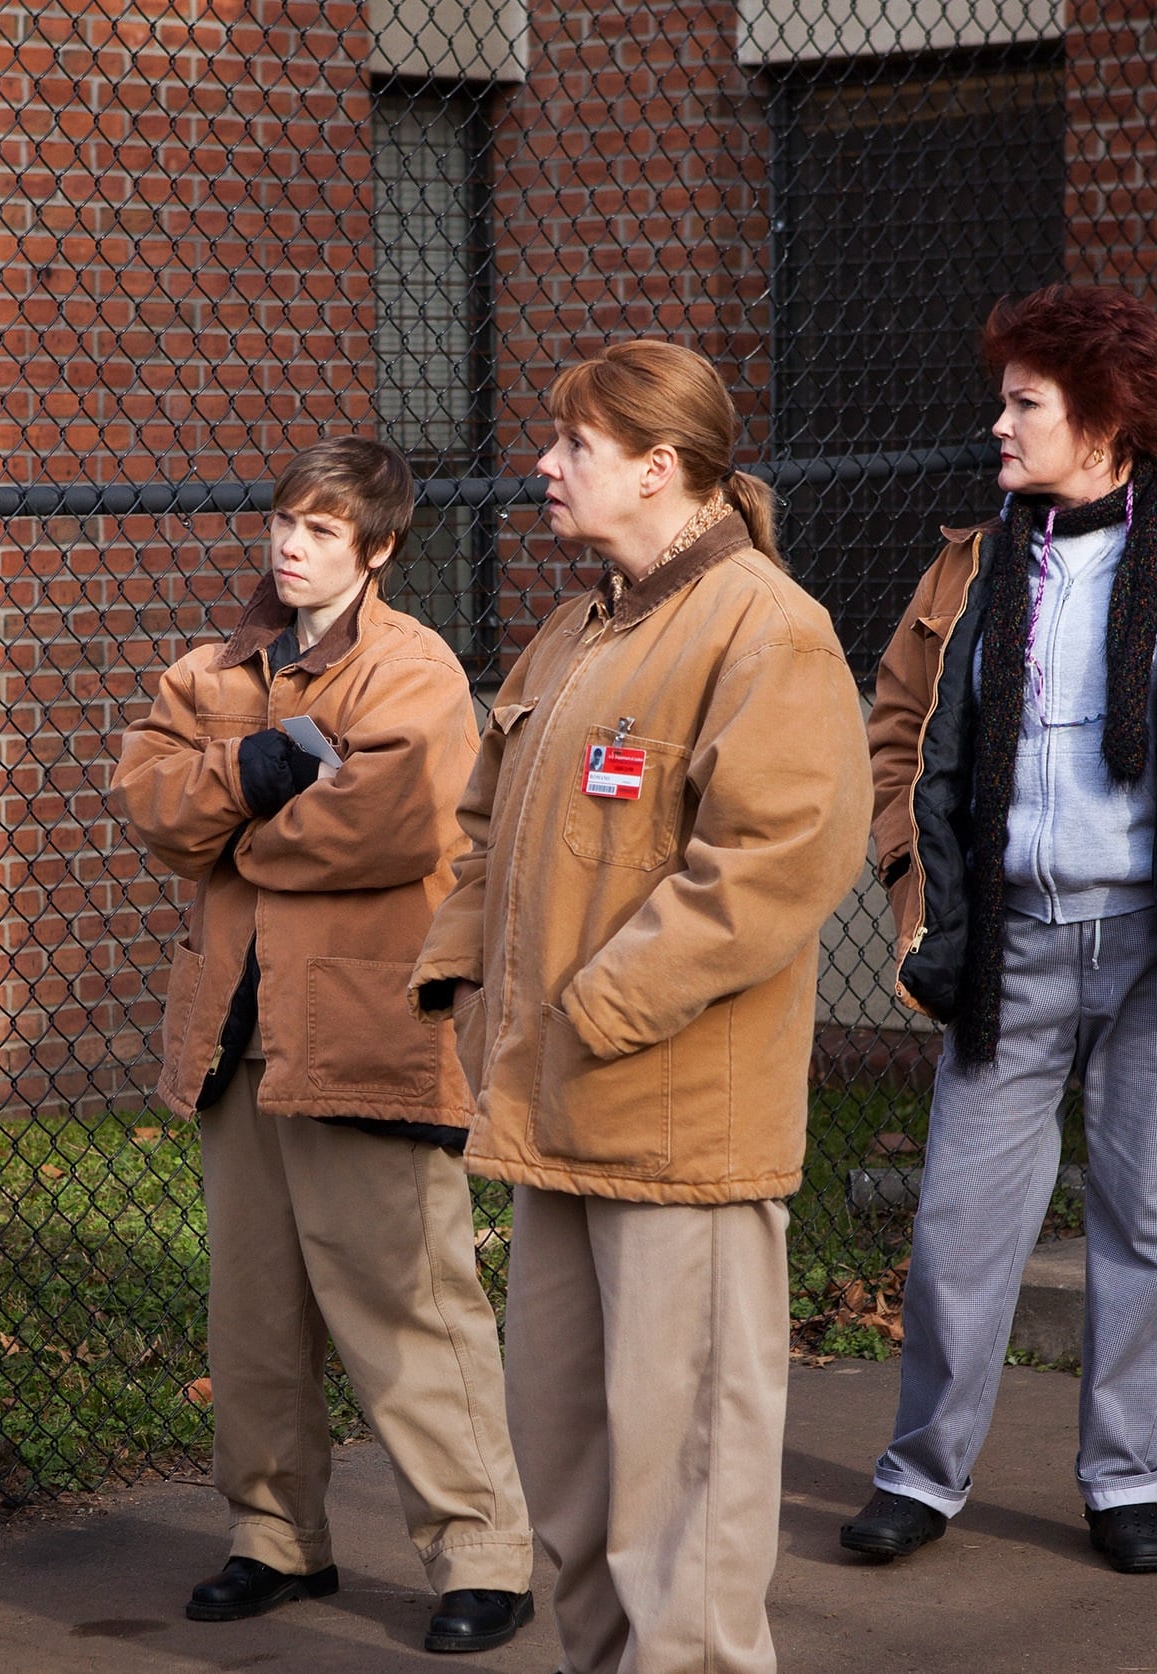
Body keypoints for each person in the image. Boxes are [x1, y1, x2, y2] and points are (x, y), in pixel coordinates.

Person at [850, 284, 1157, 1574]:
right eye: (1003, 401)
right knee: (959, 1225)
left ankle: (1126, 1483)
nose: (998, 426)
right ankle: (921, 1478)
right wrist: (908, 862)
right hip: (1008, 945)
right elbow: (899, 724)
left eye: (1025, 403)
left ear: (1106, 419)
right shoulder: (970, 563)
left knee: (1148, 1226)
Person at [408, 341, 872, 1674]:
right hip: (555, 1113)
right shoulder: (580, 628)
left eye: (576, 446)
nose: (543, 467)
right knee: (572, 1467)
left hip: (680, 1129)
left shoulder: (765, 629)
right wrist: (464, 978)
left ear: (661, 467)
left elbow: (776, 860)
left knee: (688, 1491)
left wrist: (598, 1006)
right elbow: (487, 827)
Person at [111, 437, 537, 1655]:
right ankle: (274, 1538)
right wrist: (260, 765)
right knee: (253, 1310)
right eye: (285, 523)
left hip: (363, 1033)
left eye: (323, 531)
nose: (292, 548)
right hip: (235, 1033)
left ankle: (483, 1554)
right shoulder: (213, 669)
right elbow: (146, 796)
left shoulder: (413, 668)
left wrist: (234, 828)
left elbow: (391, 823)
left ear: (379, 548)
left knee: (406, 1303)